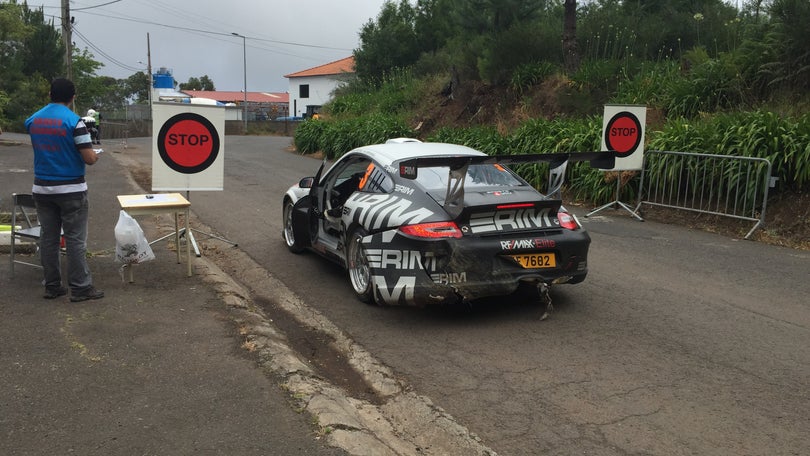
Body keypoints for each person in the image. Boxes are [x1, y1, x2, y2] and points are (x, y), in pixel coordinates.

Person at [25, 78, 104, 302]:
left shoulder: (34, 120)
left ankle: (52, 286)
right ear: (73, 97)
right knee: (75, 240)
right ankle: (80, 288)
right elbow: (88, 158)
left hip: (42, 188)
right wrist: (96, 155)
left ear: (50, 94)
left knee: (48, 239)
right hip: (71, 189)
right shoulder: (74, 122)